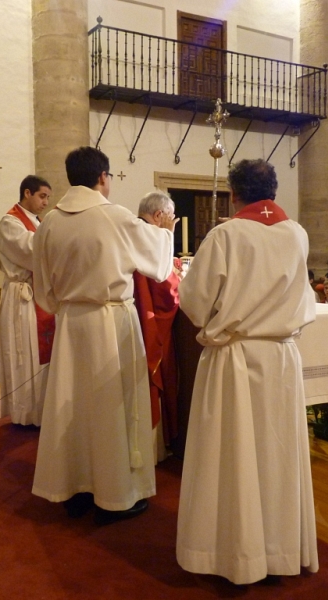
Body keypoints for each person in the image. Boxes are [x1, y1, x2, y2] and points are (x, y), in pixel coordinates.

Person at [176, 159, 318, 585]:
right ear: (273, 192)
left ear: (235, 194)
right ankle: (278, 549)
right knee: (275, 456)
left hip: (235, 359)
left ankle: (236, 554)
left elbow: (196, 303)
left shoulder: (226, 235)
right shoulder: (297, 234)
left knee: (232, 456)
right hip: (280, 357)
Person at [31, 147, 177, 524]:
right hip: (111, 324)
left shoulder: (49, 223)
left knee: (73, 409)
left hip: (71, 327)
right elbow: (160, 266)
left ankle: (73, 489)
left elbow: (43, 290)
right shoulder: (115, 217)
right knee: (113, 409)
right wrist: (165, 232)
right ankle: (114, 496)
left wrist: (70, 306)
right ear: (103, 177)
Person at [0, 175, 55, 426]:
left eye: (48, 197)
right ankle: (25, 413)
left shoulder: (38, 223)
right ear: (27, 193)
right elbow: (31, 252)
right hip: (22, 299)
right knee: (23, 353)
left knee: (39, 355)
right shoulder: (10, 223)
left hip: (38, 296)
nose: (46, 202)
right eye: (42, 196)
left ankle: (42, 411)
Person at [133, 191, 181, 461]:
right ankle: (153, 449)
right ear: (160, 215)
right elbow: (166, 292)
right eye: (170, 216)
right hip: (148, 322)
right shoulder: (152, 236)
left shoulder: (132, 229)